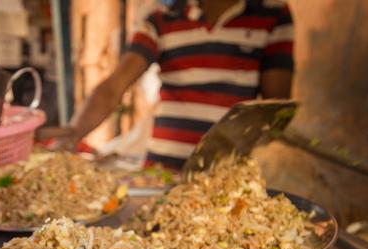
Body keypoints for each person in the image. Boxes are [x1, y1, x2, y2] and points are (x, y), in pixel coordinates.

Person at [39, 0, 294, 167]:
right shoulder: (162, 18)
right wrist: (72, 134)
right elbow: (113, 87)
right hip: (161, 170)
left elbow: (274, 107)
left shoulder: (272, 16)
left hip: (224, 174)